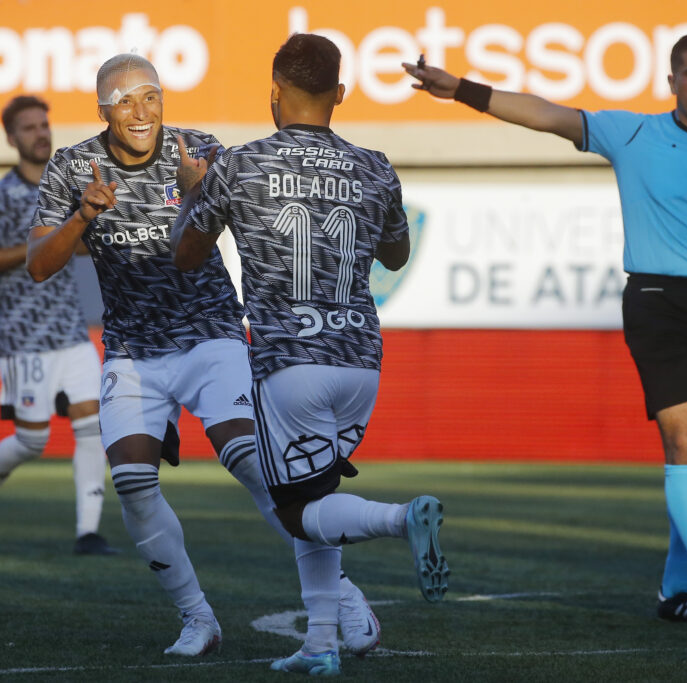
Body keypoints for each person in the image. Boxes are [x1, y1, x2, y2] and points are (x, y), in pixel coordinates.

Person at [404, 32, 687, 630]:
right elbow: (550, 115)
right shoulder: (634, 133)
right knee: (684, 444)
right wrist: (465, 93)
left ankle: (674, 590)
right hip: (659, 302)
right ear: (672, 82)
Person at [25, 54, 380, 657]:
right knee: (134, 482)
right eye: (126, 101)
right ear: (102, 110)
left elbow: (241, 225)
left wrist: (197, 194)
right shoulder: (70, 167)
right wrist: (84, 213)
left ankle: (340, 591)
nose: (141, 112)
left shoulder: (200, 150)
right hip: (134, 348)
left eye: (151, 96)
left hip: (211, 332)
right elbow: (37, 265)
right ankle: (198, 619)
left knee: (250, 459)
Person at [172, 33, 450, 676]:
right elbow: (397, 256)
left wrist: (196, 191)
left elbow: (187, 255)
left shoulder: (237, 165)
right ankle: (322, 642)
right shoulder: (376, 164)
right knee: (317, 495)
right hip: (361, 359)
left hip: (287, 360)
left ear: (274, 92)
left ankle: (403, 518)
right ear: (341, 94)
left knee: (298, 512)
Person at [0, 95, 116, 557]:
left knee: (92, 427)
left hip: (71, 331)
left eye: (43, 125)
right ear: (12, 138)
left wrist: (90, 226)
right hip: (23, 338)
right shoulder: (2, 194)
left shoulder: (62, 188)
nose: (40, 133)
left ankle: (87, 532)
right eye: (28, 128)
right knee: (32, 440)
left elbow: (81, 246)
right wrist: (38, 246)